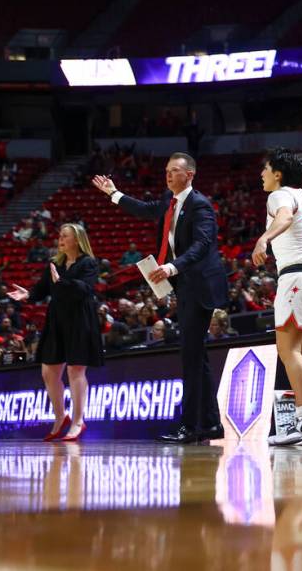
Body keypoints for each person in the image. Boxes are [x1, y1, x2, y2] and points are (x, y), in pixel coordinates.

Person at [92, 152, 228, 444]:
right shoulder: (169, 202)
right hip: (185, 285)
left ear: (189, 175)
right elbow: (143, 209)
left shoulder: (200, 205)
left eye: (174, 171)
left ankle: (191, 427)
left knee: (191, 357)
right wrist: (114, 194)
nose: (168, 175)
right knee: (196, 357)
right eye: (166, 171)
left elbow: (203, 245)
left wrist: (172, 266)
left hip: (199, 285)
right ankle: (211, 424)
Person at [248, 149, 302, 446]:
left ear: (278, 174)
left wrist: (263, 238)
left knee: (288, 352)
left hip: (297, 278)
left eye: (266, 169)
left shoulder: (279, 195)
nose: (262, 174)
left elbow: (283, 217)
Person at [6, 223, 103, 441]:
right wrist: (28, 295)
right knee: (48, 372)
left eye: (65, 236)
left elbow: (85, 290)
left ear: (77, 240)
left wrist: (63, 282)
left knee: (75, 371)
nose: (60, 239)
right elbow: (41, 290)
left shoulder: (88, 263)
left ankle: (79, 420)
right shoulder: (54, 264)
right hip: (56, 320)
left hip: (80, 320)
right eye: (59, 236)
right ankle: (61, 417)